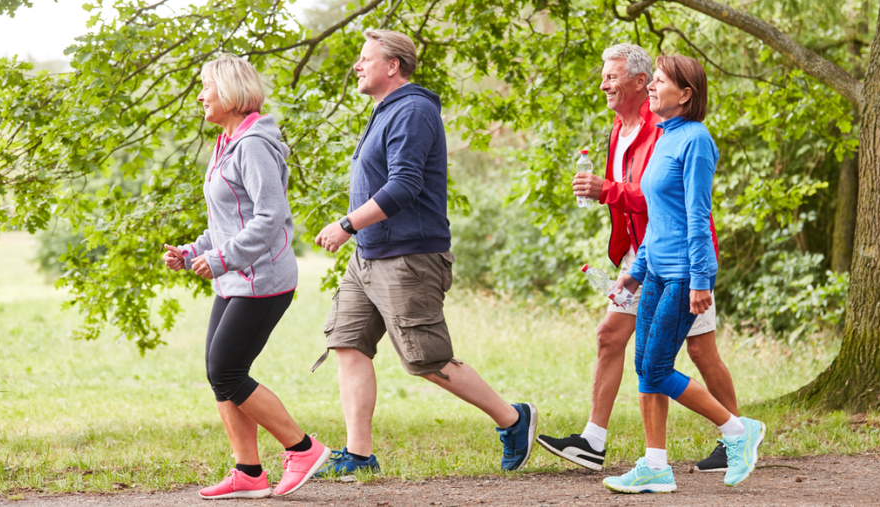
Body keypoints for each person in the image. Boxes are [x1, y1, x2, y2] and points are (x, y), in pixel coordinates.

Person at [311, 30, 537, 476]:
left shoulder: (412, 110)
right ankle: (358, 455)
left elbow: (404, 185)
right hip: (369, 255)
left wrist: (346, 224)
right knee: (348, 342)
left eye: (365, 58)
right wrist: (357, 231)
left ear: (393, 65)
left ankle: (513, 419)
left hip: (408, 257)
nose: (356, 66)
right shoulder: (385, 111)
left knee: (426, 359)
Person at [536, 43, 737, 474]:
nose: (604, 83)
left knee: (697, 351)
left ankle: (735, 435)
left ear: (640, 82)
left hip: (680, 258)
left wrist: (605, 189)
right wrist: (632, 262)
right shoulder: (618, 129)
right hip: (644, 255)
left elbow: (665, 201)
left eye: (612, 76)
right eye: (604, 75)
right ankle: (602, 443)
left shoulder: (664, 128)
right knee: (614, 338)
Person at [162, 54, 330, 499]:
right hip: (237, 278)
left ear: (231, 93)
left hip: (264, 279)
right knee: (220, 373)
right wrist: (193, 251)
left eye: (207, 88)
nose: (200, 95)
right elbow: (228, 220)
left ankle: (303, 449)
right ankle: (248, 472)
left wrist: (221, 258)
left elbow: (270, 218)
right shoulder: (227, 142)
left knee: (227, 370)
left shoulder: (254, 144)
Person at [601, 55, 765, 494]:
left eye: (658, 82)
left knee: (655, 369)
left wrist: (700, 279)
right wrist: (635, 273)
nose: (651, 89)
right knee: (644, 366)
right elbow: (658, 218)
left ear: (685, 94)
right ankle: (655, 465)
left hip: (681, 276)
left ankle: (737, 431)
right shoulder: (664, 136)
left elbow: (697, 215)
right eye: (651, 81)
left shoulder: (695, 141)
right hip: (656, 273)